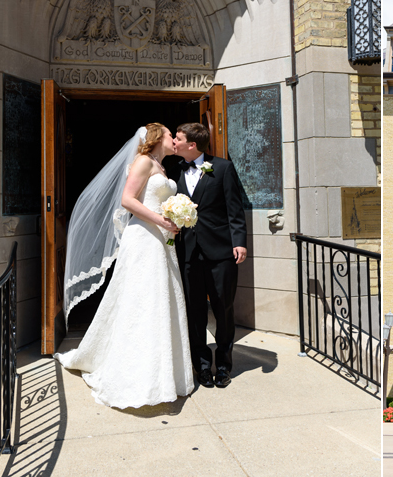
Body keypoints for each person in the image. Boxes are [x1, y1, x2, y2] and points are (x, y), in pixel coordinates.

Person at [55, 124, 194, 408]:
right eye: (170, 134)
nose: (174, 139)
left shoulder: (162, 167)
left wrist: (175, 219)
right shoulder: (143, 161)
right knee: (140, 301)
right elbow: (127, 200)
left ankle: (164, 372)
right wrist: (161, 220)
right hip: (143, 238)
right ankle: (135, 374)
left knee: (160, 302)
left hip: (161, 241)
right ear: (157, 138)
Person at [172, 123, 248, 389]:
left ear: (192, 145)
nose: (173, 141)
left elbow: (234, 209)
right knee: (194, 313)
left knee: (223, 310)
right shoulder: (174, 171)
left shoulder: (223, 168)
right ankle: (202, 366)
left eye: (178, 138)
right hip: (189, 254)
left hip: (222, 253)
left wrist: (239, 242)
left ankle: (224, 365)